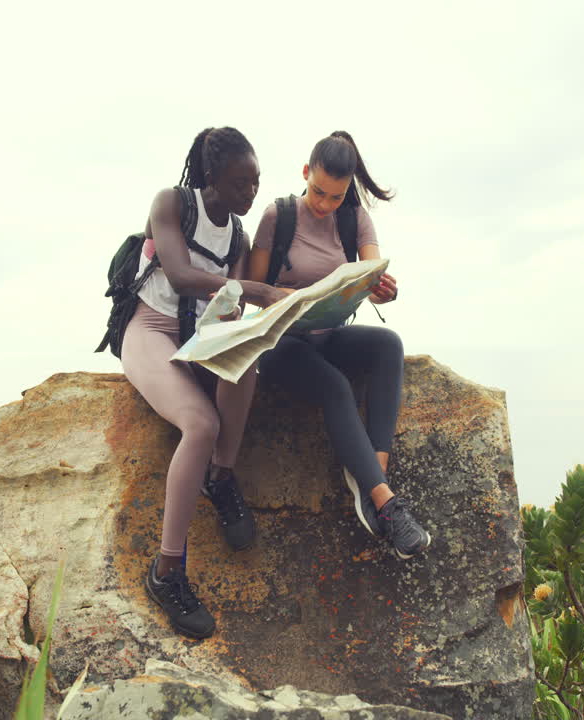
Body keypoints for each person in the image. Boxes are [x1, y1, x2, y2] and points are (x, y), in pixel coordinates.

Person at [124, 127, 285, 639]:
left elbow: (228, 304)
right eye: (241, 183)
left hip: (197, 337)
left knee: (246, 361)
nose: (250, 193)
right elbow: (178, 275)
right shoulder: (172, 204)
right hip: (151, 330)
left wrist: (244, 313)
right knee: (200, 424)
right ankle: (166, 571)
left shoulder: (237, 236)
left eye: (256, 182)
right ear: (212, 176)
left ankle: (221, 475)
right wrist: (258, 290)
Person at [246, 130, 432, 559]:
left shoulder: (354, 219)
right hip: (282, 345)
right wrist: (285, 297)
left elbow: (371, 275)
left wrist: (383, 291)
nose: (325, 204)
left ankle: (372, 483)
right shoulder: (278, 216)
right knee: (335, 386)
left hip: (328, 333)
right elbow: (252, 289)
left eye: (336, 196)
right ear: (305, 173)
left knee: (388, 344)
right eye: (318, 191)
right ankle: (386, 504)